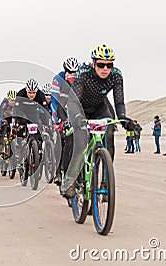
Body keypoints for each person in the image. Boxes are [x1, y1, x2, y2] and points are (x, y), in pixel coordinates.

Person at [60, 44, 130, 198]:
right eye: (101, 65)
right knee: (78, 143)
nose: (105, 68)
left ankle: (105, 181)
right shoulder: (83, 73)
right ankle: (69, 180)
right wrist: (77, 118)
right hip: (78, 107)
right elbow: (74, 100)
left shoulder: (116, 75)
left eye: (109, 65)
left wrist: (123, 118)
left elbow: (119, 102)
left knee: (109, 133)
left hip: (99, 108)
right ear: (93, 64)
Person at [51, 57, 79, 185]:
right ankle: (57, 172)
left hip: (74, 110)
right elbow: (54, 100)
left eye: (74, 72)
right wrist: (58, 119)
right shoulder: (58, 80)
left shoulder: (80, 79)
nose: (72, 74)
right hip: (60, 109)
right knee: (60, 139)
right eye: (69, 71)